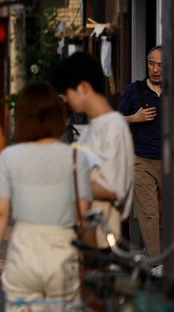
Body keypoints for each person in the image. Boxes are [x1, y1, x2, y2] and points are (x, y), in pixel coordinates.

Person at [0, 82, 92, 310]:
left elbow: (1, 212)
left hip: (24, 249)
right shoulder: (75, 159)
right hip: (63, 249)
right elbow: (84, 214)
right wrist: (90, 263)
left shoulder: (10, 157)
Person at [50, 50, 134, 247]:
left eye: (67, 93)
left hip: (103, 240)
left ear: (83, 88)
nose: (66, 100)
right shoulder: (91, 128)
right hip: (86, 237)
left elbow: (114, 189)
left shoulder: (114, 125)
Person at [118, 46, 162, 257]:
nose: (155, 69)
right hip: (141, 160)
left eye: (161, 65)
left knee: (173, 213)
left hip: (171, 162)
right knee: (148, 213)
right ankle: (156, 262)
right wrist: (134, 118)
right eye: (151, 63)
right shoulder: (134, 90)